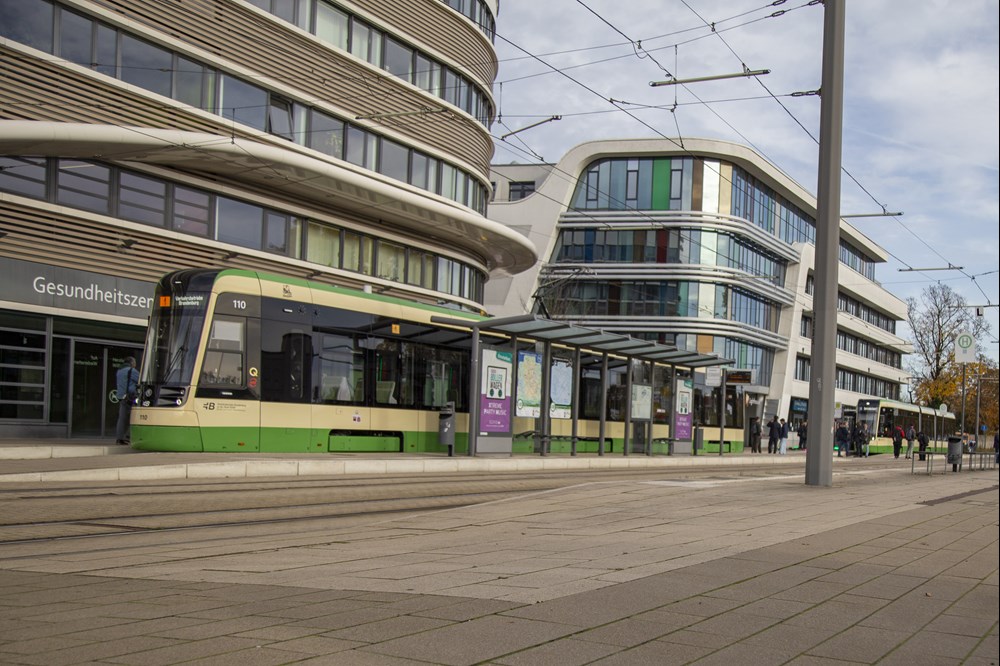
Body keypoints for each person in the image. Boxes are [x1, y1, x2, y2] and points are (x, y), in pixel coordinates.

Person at [115, 356, 139, 446]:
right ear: (131, 363)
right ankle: (127, 437)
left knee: (122, 418)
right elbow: (141, 380)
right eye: (135, 362)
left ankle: (119, 438)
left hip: (121, 397)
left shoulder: (119, 371)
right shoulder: (132, 371)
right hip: (130, 397)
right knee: (133, 418)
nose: (135, 364)